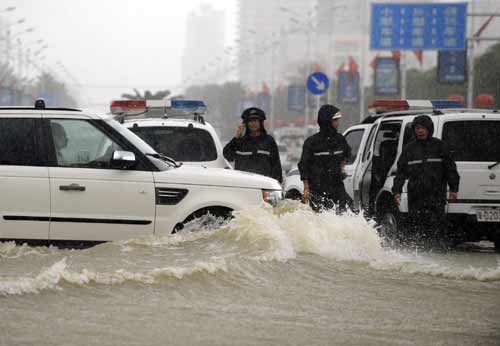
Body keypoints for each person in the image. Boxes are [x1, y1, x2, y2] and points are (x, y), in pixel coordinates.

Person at [392, 114, 460, 246]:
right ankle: (419, 253)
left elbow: (451, 169)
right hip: (416, 197)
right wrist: (397, 191)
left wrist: (454, 189)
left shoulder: (440, 147)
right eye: (417, 128)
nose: (420, 131)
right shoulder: (409, 149)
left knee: (436, 229)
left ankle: (436, 253)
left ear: (429, 128)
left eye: (423, 128)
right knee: (416, 228)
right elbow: (400, 173)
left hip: (436, 197)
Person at [298, 104, 353, 212]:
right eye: (335, 120)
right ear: (326, 121)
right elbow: (303, 165)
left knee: (351, 213)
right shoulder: (312, 142)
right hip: (318, 189)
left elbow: (348, 153)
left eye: (338, 120)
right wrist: (306, 188)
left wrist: (343, 164)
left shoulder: (340, 139)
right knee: (321, 218)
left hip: (337, 187)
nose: (338, 123)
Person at [223, 107, 282, 183]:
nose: (253, 124)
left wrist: (277, 184)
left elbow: (276, 165)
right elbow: (227, 156)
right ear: (245, 124)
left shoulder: (269, 141)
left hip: (264, 185)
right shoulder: (240, 141)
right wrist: (237, 137)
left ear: (261, 123)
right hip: (243, 185)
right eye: (250, 121)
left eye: (256, 121)